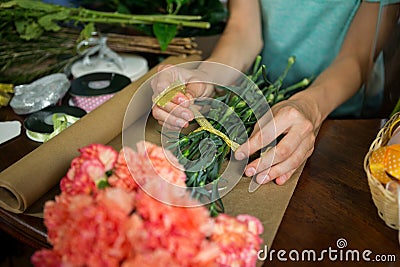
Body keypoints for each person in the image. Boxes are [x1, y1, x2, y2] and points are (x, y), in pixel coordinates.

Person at [151, 0, 400, 185]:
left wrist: (310, 107)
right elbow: (243, 32)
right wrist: (207, 76)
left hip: (340, 115)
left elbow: (357, 58)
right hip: (255, 102)